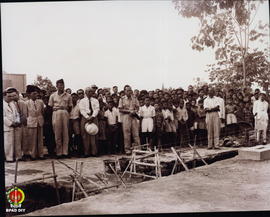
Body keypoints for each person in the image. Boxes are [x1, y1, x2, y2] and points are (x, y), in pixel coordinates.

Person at [48, 79, 72, 158]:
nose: (61, 86)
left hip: (65, 112)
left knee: (65, 133)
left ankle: (65, 152)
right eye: (59, 85)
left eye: (62, 85)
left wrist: (65, 109)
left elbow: (70, 106)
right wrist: (55, 109)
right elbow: (50, 107)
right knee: (57, 133)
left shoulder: (68, 95)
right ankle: (59, 152)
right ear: (57, 86)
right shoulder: (53, 95)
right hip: (56, 113)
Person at [118, 86, 141, 154]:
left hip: (133, 116)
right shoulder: (122, 99)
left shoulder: (134, 98)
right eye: (128, 90)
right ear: (125, 91)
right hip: (126, 117)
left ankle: (138, 149)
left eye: (130, 90)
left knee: (136, 133)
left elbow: (137, 107)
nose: (129, 92)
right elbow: (120, 109)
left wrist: (135, 111)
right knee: (127, 134)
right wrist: (128, 111)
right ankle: (127, 150)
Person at [79, 86, 100, 157]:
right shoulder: (82, 101)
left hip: (94, 117)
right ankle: (86, 152)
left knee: (94, 133)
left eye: (91, 91)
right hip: (85, 117)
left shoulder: (95, 100)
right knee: (85, 135)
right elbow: (82, 110)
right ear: (85, 92)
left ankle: (94, 152)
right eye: (88, 91)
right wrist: (88, 117)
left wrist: (93, 116)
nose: (90, 93)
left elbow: (97, 109)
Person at [25, 85, 45, 160]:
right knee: (32, 139)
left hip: (39, 121)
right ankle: (32, 154)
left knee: (40, 139)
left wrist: (40, 118)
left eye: (36, 93)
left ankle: (41, 154)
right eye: (33, 93)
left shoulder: (40, 102)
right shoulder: (26, 103)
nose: (35, 95)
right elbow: (26, 113)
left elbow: (42, 111)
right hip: (31, 121)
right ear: (30, 94)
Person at [3, 88, 19, 162]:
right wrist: (11, 123)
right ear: (4, 96)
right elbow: (4, 117)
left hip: (14, 126)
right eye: (9, 96)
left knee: (14, 143)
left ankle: (14, 157)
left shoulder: (12, 104)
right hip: (7, 126)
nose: (11, 98)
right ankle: (8, 158)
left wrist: (17, 121)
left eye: (12, 96)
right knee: (8, 143)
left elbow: (16, 113)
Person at [12, 90, 28, 161]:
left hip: (23, 124)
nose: (14, 97)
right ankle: (18, 156)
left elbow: (25, 114)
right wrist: (16, 122)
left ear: (18, 95)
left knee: (24, 139)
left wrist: (22, 121)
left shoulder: (23, 103)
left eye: (15, 95)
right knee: (17, 140)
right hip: (16, 125)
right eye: (12, 95)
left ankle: (25, 154)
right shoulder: (11, 104)